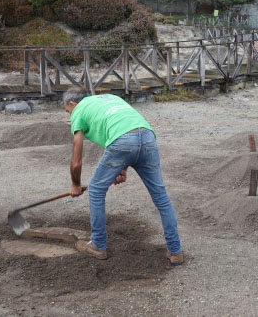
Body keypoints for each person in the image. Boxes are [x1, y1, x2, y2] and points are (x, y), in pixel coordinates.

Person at [63, 87, 183, 265]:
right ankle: (175, 251)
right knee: (160, 196)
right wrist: (121, 168)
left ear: (72, 104)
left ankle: (97, 245)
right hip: (147, 136)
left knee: (96, 190)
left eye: (68, 111)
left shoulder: (79, 110)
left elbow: (76, 160)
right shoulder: (108, 98)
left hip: (123, 140)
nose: (70, 115)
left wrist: (75, 184)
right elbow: (125, 129)